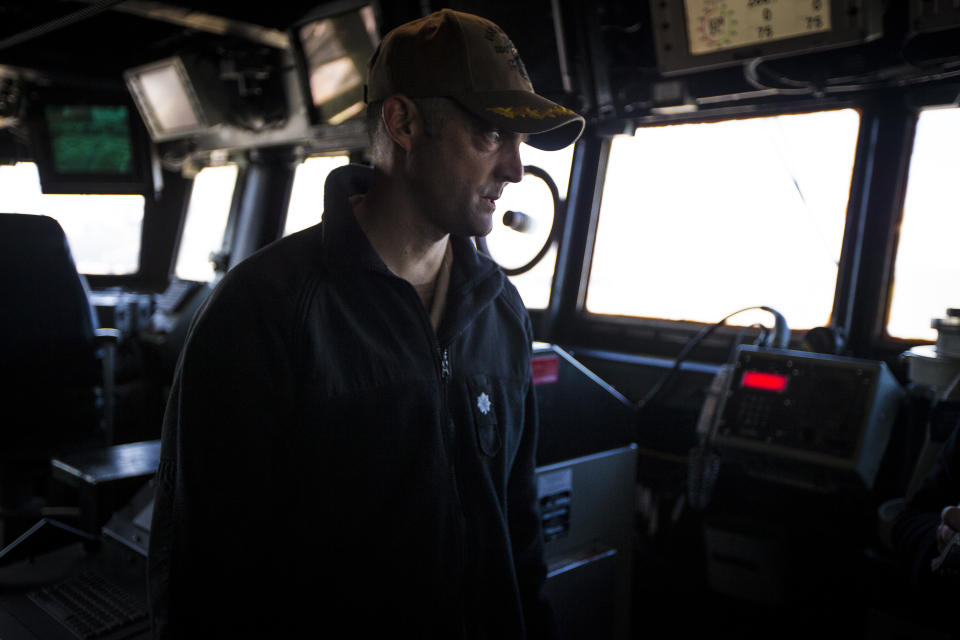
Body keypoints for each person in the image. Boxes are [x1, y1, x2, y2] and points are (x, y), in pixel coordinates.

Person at [147, 8, 584, 639]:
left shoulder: (501, 311)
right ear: (403, 122)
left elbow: (518, 538)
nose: (515, 169)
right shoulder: (264, 309)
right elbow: (202, 572)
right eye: (491, 134)